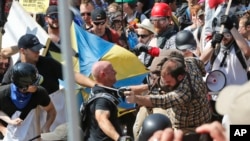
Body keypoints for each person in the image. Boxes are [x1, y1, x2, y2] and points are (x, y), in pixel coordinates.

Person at [125, 51, 211, 133]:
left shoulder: (184, 93)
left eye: (169, 83)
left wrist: (135, 98)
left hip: (189, 127)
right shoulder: (190, 62)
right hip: (188, 111)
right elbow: (200, 63)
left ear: (180, 77)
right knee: (143, 111)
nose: (165, 85)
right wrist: (132, 89)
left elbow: (162, 101)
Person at [0, 62, 56, 140]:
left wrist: (46, 126)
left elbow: (51, 110)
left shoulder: (40, 93)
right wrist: (3, 129)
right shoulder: (2, 94)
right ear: (23, 87)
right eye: (34, 84)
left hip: (29, 137)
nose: (37, 85)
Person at [85, 61, 130, 141]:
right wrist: (119, 138)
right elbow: (102, 119)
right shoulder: (102, 99)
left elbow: (126, 90)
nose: (115, 72)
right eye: (112, 70)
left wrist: (149, 86)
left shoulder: (104, 90)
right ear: (103, 75)